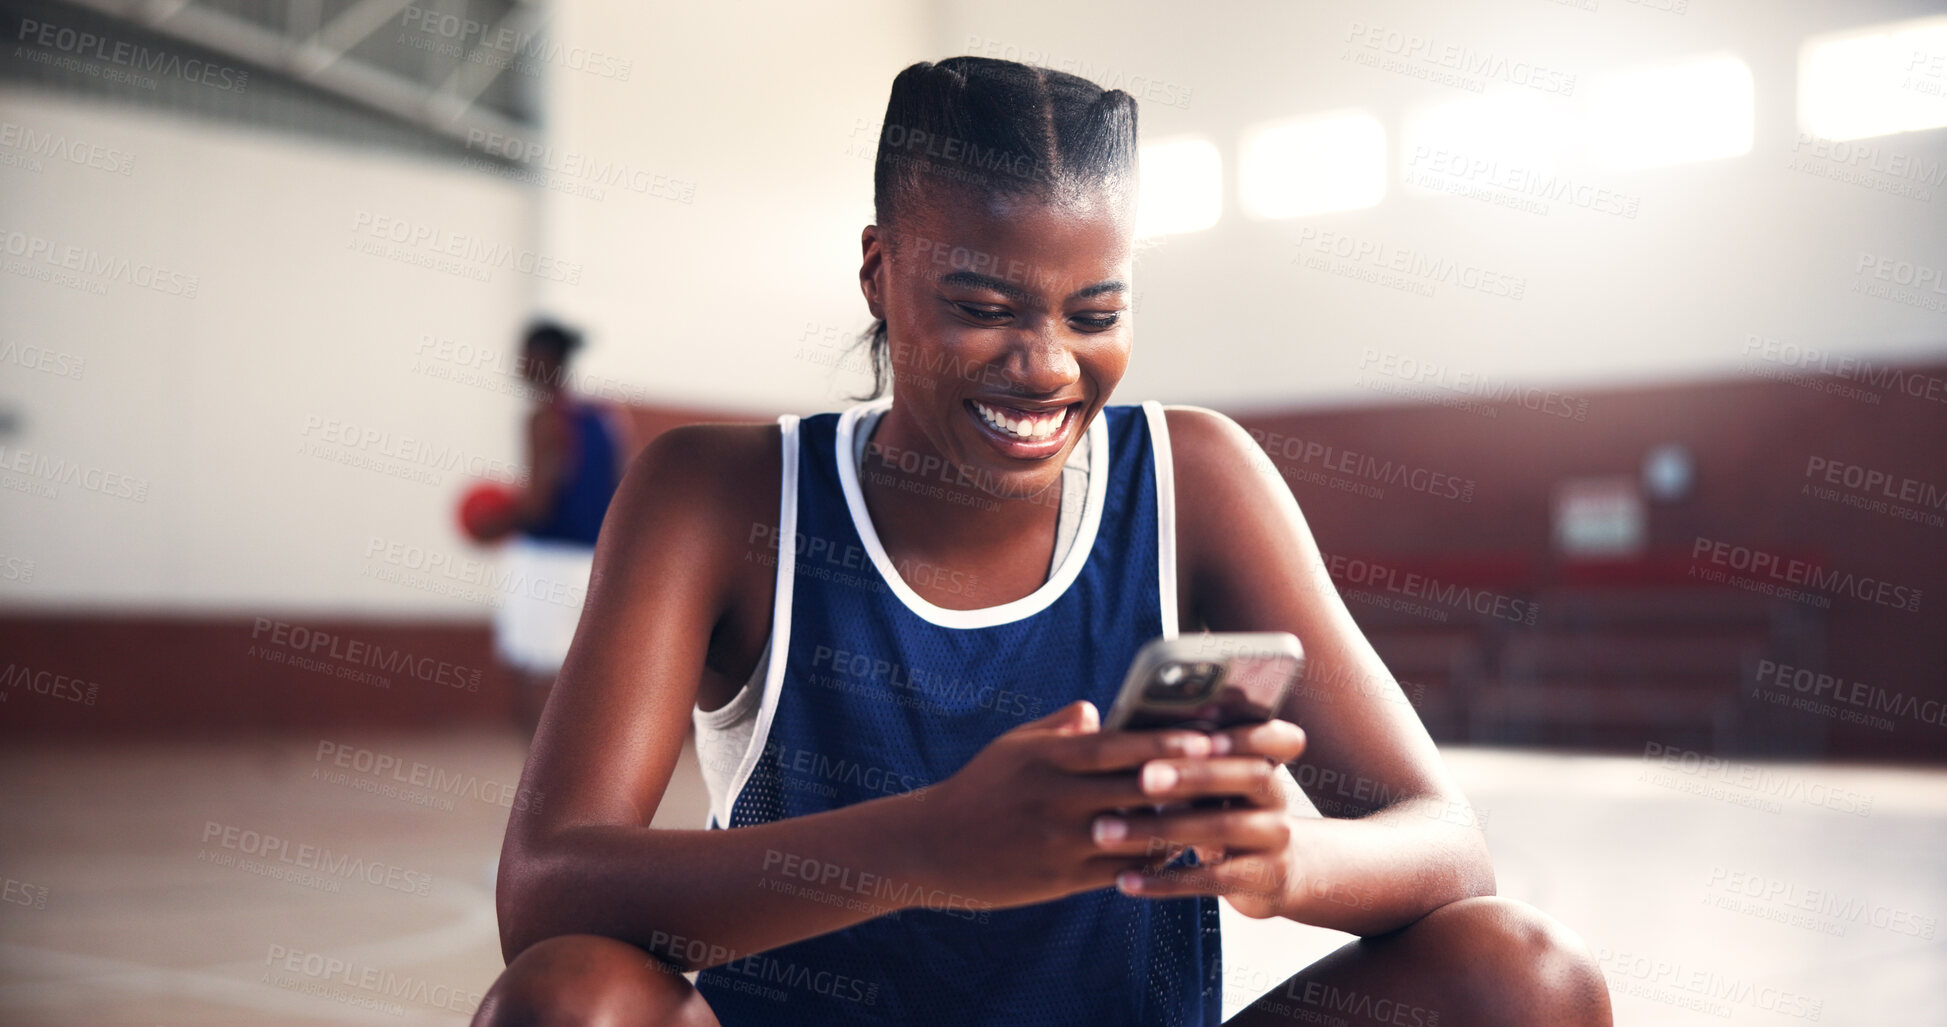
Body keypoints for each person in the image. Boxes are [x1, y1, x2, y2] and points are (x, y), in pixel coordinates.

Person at [471, 58, 1612, 1026]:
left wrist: (1283, 857)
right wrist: (931, 846)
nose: (1048, 364)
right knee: (568, 1001)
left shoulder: (1196, 477)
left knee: (1524, 978)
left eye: (1095, 313)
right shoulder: (718, 495)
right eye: (984, 308)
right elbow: (544, 890)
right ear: (878, 271)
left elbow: (1446, 844)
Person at [472, 320, 631, 732]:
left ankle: (541, 773)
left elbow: (539, 505)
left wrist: (491, 522)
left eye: (525, 354)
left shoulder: (543, 418)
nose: (519, 363)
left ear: (547, 359)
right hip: (594, 562)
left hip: (546, 563)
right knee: (583, 681)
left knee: (536, 680)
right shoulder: (608, 417)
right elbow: (619, 490)